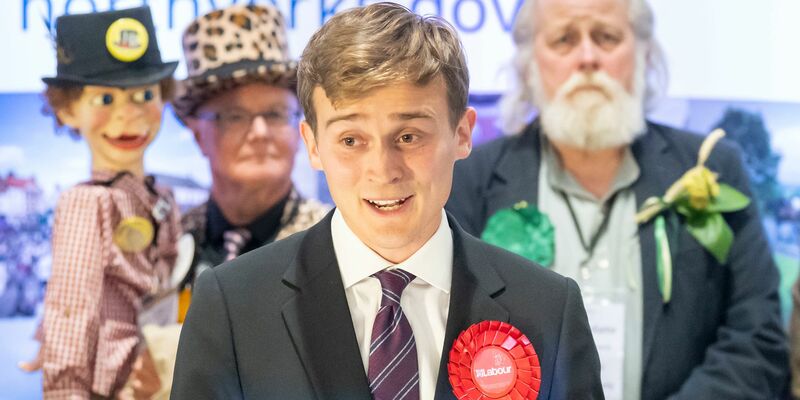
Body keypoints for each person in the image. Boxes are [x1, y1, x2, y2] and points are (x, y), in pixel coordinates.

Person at [171, 3, 603, 399]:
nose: (383, 169)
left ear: (462, 134)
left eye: (409, 136)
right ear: (313, 145)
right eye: (351, 139)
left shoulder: (548, 309)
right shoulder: (232, 305)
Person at [447, 0, 788, 399]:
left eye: (607, 37)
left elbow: (757, 337)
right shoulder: (471, 179)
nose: (588, 57)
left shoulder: (711, 167)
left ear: (644, 53)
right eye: (564, 39)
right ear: (529, 64)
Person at [37, 6, 181, 398]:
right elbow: (71, 310)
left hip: (166, 370)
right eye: (104, 99)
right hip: (116, 383)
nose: (128, 114)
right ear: (68, 110)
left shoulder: (162, 196)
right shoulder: (85, 204)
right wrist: (65, 389)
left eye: (144, 95)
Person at [172, 4, 329, 308]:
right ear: (197, 136)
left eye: (275, 114)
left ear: (303, 131)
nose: (259, 132)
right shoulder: (166, 245)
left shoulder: (329, 240)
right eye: (234, 116)